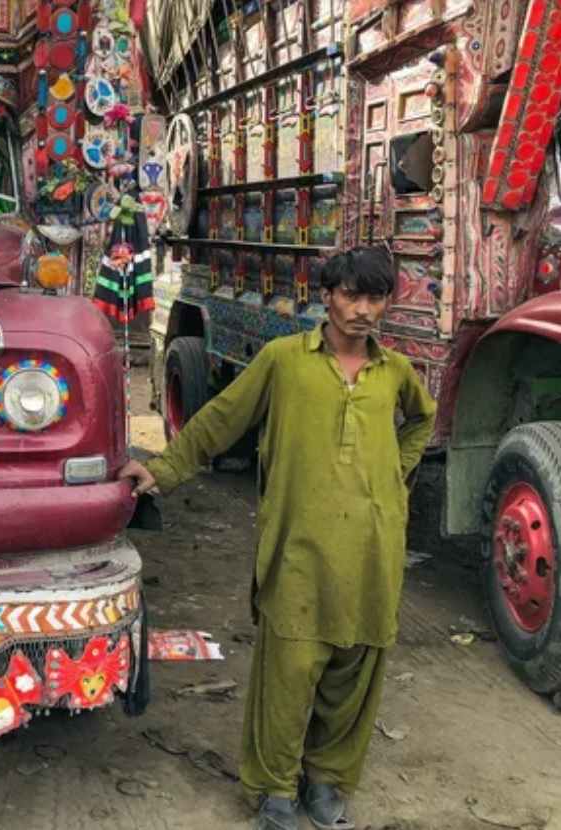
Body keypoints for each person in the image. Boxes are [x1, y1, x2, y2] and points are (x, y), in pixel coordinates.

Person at [119, 246, 436, 830]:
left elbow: (423, 419)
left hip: (373, 550)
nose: (362, 310)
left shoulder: (394, 373)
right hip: (298, 546)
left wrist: (396, 473)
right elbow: (220, 420)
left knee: (354, 670)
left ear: (387, 303)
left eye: (375, 298)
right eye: (351, 295)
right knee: (287, 676)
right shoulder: (284, 360)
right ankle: (274, 790)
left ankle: (326, 781)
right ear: (328, 296)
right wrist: (160, 471)